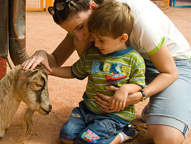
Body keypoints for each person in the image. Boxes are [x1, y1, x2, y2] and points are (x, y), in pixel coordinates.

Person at [22, 0, 191, 143]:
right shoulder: (85, 24)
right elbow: (56, 61)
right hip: (126, 65)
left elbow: (170, 72)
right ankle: (158, 106)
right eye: (72, 31)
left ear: (93, 7)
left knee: (167, 138)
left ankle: (164, 102)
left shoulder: (137, 19)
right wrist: (42, 54)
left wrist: (140, 94)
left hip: (171, 64)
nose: (79, 36)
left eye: (80, 27)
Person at [45, 1, 145, 143]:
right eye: (95, 38)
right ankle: (94, 127)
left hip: (113, 116)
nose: (96, 44)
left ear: (122, 38)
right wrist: (50, 70)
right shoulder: (92, 54)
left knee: (87, 141)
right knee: (66, 136)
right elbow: (74, 71)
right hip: (87, 110)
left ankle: (124, 133)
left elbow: (139, 84)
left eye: (101, 40)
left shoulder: (134, 59)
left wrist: (126, 88)